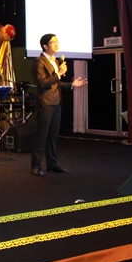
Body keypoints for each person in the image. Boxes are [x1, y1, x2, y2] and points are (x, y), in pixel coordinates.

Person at [31, 34, 87, 177]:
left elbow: (56, 83)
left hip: (56, 101)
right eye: (53, 42)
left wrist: (72, 84)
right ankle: (35, 166)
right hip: (45, 102)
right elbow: (43, 83)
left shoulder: (55, 61)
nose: (57, 45)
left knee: (53, 135)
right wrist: (59, 73)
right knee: (42, 135)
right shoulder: (39, 62)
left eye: (57, 42)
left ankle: (52, 164)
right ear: (45, 46)